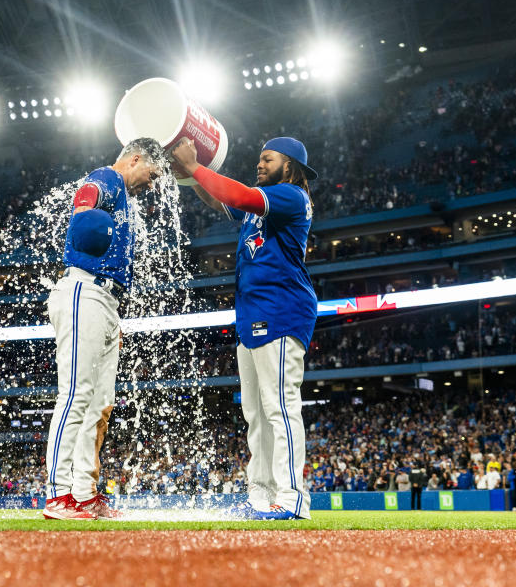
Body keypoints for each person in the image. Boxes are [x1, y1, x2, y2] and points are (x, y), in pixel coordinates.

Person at [172, 136, 318, 520]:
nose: (259, 164)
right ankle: (261, 495)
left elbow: (237, 196)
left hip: (282, 310)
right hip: (251, 312)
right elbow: (221, 201)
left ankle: (292, 498)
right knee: (256, 413)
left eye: (266, 158)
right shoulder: (262, 204)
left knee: (280, 408)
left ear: (290, 165)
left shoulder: (290, 195)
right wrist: (191, 177)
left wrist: (196, 168)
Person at [42, 137, 166, 520]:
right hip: (84, 288)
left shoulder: (127, 199)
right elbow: (87, 195)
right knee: (76, 395)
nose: (153, 183)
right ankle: (59, 493)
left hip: (106, 300)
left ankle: (84, 492)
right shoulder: (108, 177)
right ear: (135, 159)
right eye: (152, 173)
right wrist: (84, 214)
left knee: (100, 404)